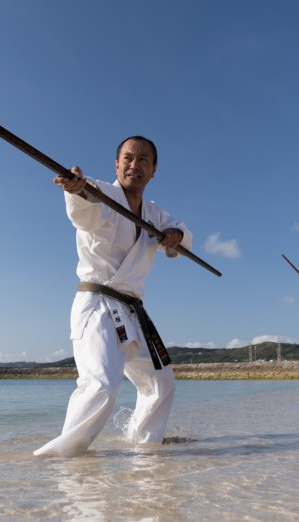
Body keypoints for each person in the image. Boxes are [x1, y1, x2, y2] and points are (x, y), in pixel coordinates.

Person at [33, 135, 192, 456]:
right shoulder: (100, 193)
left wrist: (175, 235)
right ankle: (60, 459)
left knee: (161, 383)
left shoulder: (154, 213)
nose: (135, 164)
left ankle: (145, 446)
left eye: (143, 159)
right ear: (117, 164)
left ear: (154, 169)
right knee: (101, 384)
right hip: (97, 305)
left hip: (132, 311)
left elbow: (179, 233)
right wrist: (76, 190)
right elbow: (84, 208)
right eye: (128, 158)